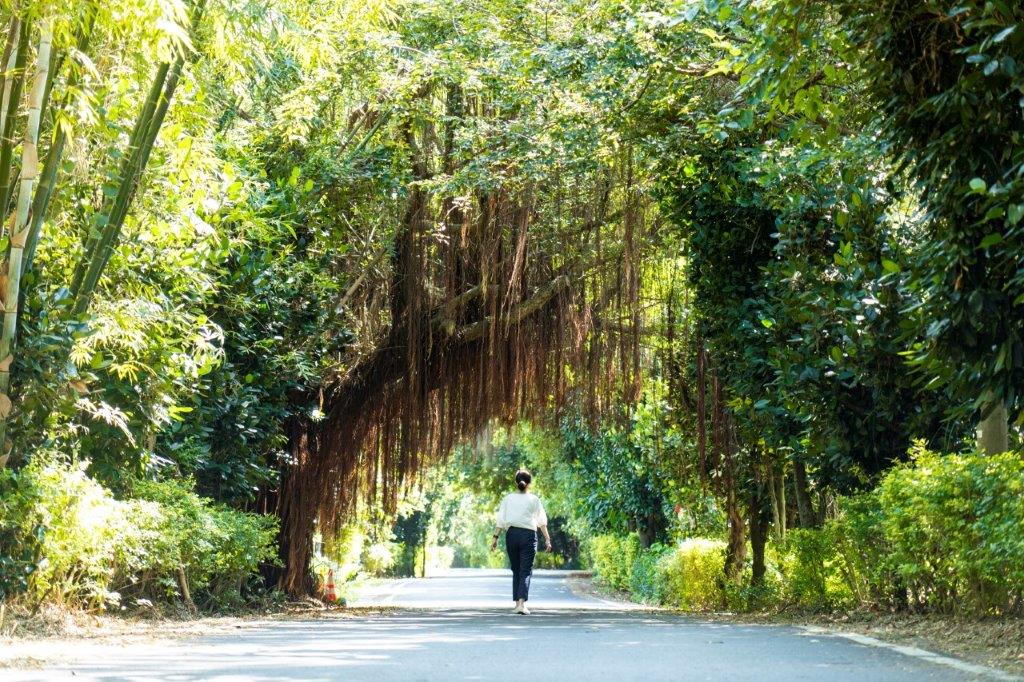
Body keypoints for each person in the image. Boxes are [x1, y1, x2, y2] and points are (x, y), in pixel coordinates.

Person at [491, 468, 552, 614]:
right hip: (529, 536)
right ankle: (521, 604)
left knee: (516, 569)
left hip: (511, 535)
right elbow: (541, 521)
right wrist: (548, 540)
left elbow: (500, 521)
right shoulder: (534, 499)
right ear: (529, 483)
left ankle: (517, 604)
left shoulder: (508, 499)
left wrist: (495, 538)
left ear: (515, 482)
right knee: (525, 570)